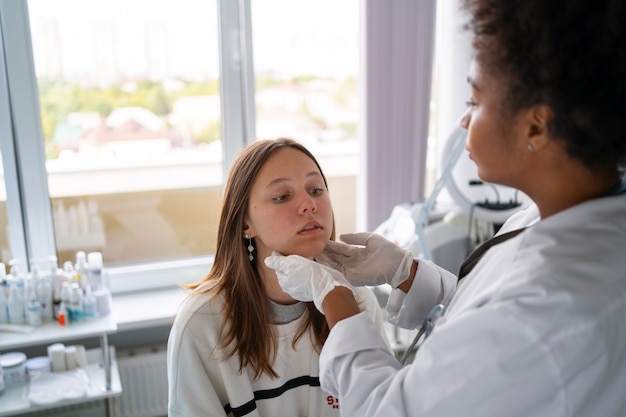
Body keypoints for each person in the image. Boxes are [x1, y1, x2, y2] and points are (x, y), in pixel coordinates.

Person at [265, 1, 626, 416]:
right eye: (280, 196)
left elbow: (386, 409)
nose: (463, 121)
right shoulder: (560, 216)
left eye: (474, 100)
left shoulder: (550, 311)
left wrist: (336, 301)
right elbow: (483, 319)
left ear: (535, 126)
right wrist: (406, 274)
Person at [167, 137, 390, 417]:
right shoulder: (202, 325)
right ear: (245, 223)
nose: (309, 204)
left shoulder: (355, 304)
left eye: (316, 189)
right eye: (282, 196)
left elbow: (383, 406)